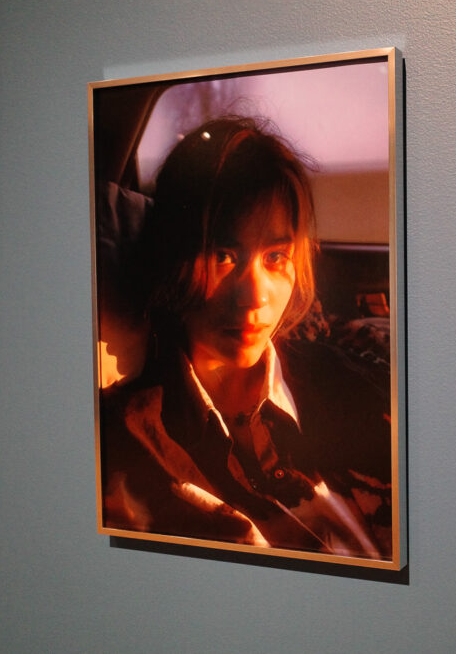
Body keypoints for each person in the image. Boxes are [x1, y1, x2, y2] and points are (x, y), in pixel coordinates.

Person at [99, 117, 392, 560]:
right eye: (223, 255)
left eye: (276, 256)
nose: (255, 296)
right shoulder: (131, 447)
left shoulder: (355, 385)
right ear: (171, 258)